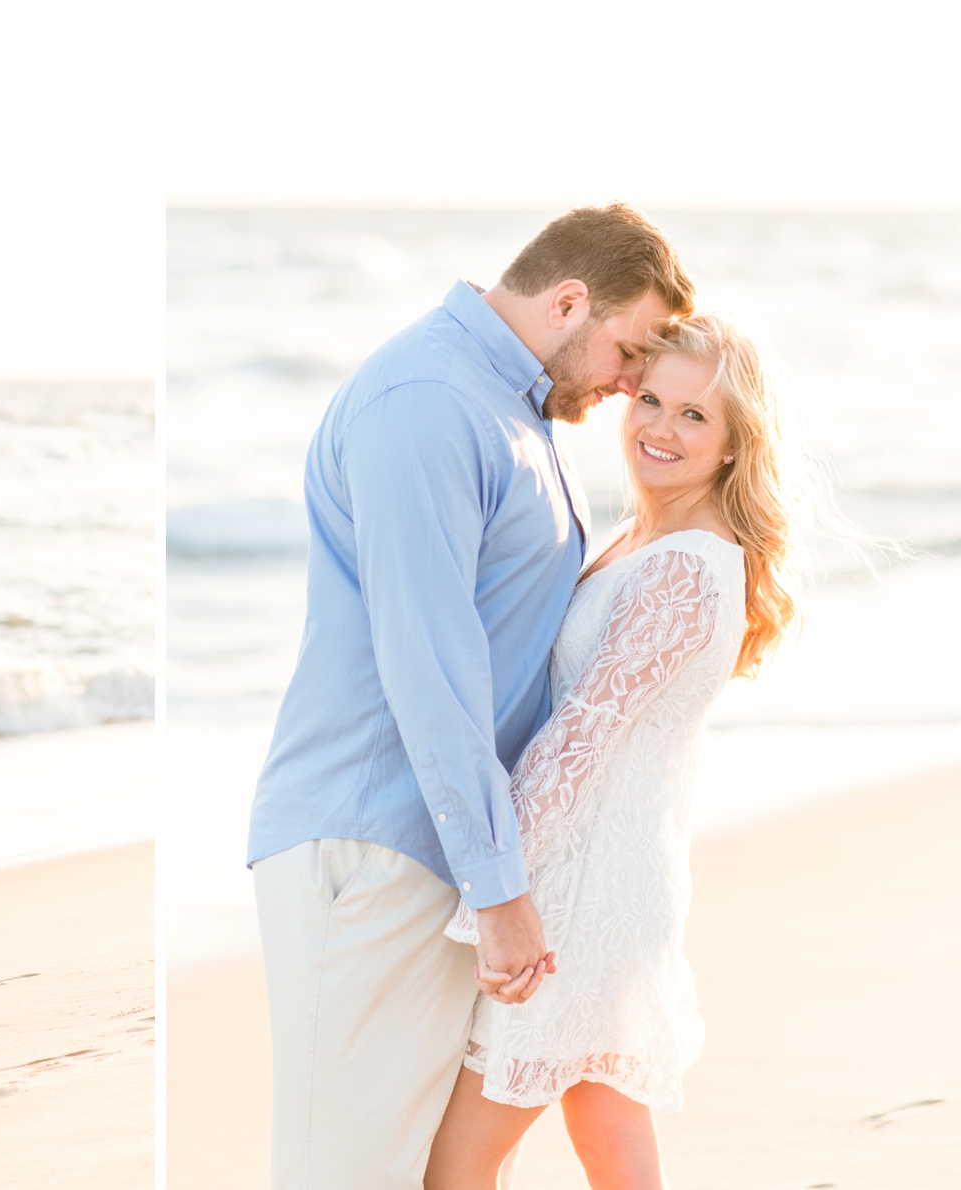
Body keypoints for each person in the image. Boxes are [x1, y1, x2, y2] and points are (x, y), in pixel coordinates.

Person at [246, 204, 695, 1189]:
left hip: (438, 845)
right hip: (367, 847)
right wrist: (497, 888)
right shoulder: (427, 401)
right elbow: (429, 660)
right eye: (626, 350)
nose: (629, 383)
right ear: (567, 300)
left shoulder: (508, 408)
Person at [425, 314, 804, 1188]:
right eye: (650, 400)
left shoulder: (685, 567)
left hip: (579, 900)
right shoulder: (646, 542)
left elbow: (577, 740)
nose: (660, 429)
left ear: (737, 444)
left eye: (694, 417)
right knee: (608, 1134)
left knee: (454, 1169)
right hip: (609, 879)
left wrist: (493, 888)